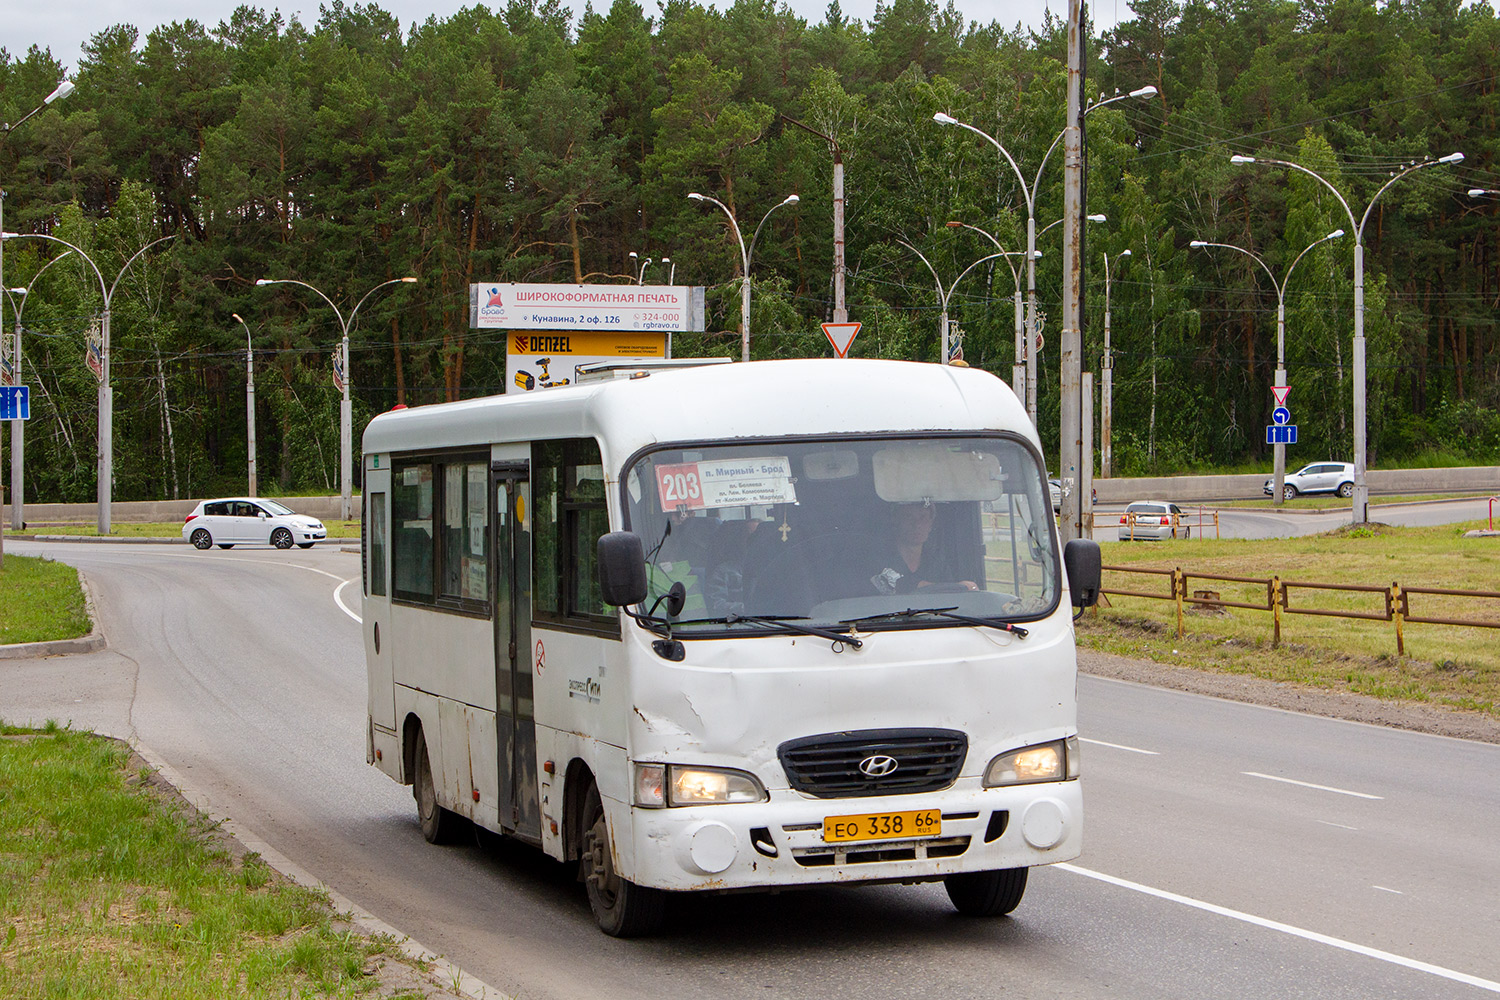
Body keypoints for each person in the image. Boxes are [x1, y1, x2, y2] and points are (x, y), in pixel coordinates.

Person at [869, 501, 977, 595]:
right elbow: (897, 584)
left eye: (923, 517)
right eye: (909, 517)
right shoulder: (878, 560)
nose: (917, 524)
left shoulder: (938, 564)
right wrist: (956, 587)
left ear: (930, 525)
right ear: (896, 522)